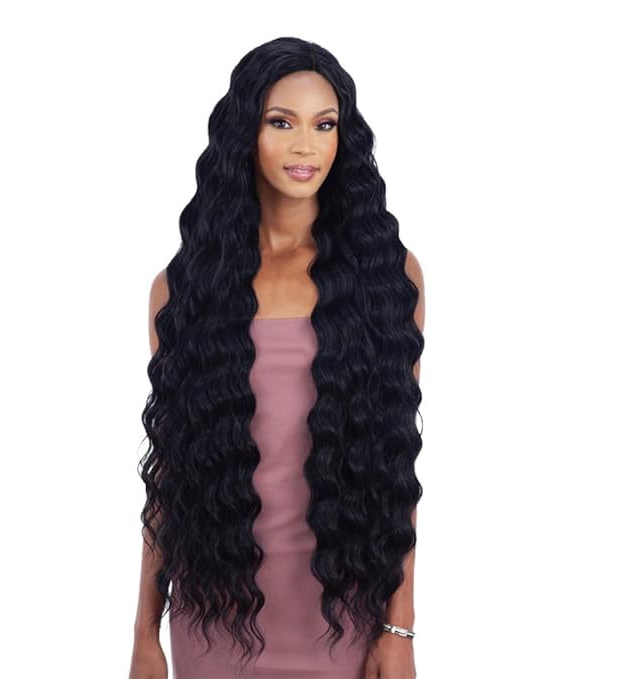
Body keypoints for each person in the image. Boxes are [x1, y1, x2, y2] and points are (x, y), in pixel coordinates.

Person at [129, 36, 425, 679]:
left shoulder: (387, 277)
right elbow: (170, 477)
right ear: (246, 132)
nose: (305, 146)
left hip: (344, 609)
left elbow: (398, 467)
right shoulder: (184, 289)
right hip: (217, 612)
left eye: (325, 125)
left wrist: (398, 628)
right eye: (282, 123)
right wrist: (144, 632)